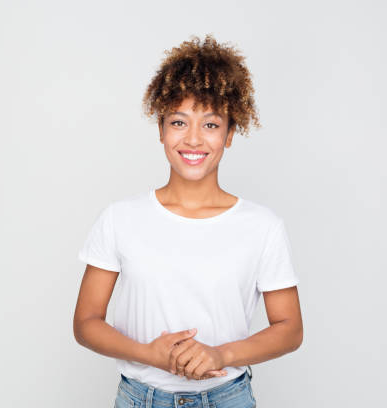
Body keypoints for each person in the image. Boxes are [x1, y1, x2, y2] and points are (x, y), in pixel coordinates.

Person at [73, 34, 303, 408]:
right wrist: (151, 354)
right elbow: (86, 321)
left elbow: (290, 329)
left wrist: (221, 356)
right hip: (139, 399)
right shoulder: (119, 219)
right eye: (179, 122)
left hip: (228, 397)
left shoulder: (262, 226)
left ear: (230, 134)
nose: (194, 139)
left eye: (211, 125)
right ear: (161, 129)